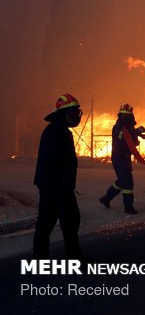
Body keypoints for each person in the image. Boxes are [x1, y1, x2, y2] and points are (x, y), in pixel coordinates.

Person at [33, 93, 86, 260]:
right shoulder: (57, 132)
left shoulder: (56, 129)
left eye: (77, 112)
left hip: (50, 183)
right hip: (57, 185)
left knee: (46, 222)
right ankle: (73, 258)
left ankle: (40, 258)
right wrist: (64, 181)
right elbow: (54, 160)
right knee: (70, 220)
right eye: (73, 113)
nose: (76, 116)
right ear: (64, 114)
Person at [99, 103, 145, 214]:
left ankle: (106, 198)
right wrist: (137, 131)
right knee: (127, 182)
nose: (126, 117)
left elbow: (133, 142)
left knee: (122, 181)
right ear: (121, 115)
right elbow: (123, 138)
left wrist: (136, 136)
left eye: (128, 115)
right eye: (124, 115)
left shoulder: (129, 127)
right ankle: (128, 207)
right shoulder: (117, 127)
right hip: (118, 157)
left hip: (125, 158)